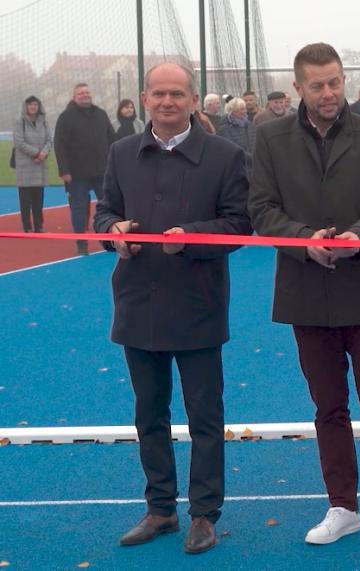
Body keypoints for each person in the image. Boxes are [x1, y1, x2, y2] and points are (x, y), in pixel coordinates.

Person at [93, 62, 251, 556]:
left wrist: (195, 240)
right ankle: (161, 509)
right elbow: (104, 214)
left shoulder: (225, 156)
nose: (167, 101)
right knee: (149, 415)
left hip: (198, 305)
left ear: (191, 98)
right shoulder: (121, 153)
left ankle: (205, 514)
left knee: (205, 416)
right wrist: (113, 233)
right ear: (144, 98)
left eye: (176, 93)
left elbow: (239, 224)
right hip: (138, 305)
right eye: (158, 93)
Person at [248, 42, 360, 548]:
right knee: (328, 407)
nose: (328, 92)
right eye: (317, 84)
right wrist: (302, 241)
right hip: (306, 292)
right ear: (298, 87)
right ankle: (343, 506)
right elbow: (263, 209)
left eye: (334, 81)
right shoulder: (270, 138)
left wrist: (359, 236)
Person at [54, 82, 116, 255]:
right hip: (76, 173)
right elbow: (60, 145)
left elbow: (112, 139)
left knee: (109, 206)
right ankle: (81, 243)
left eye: (87, 92)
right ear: (74, 97)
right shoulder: (66, 117)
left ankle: (110, 238)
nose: (85, 95)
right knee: (79, 208)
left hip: (101, 171)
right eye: (80, 93)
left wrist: (113, 165)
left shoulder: (101, 114)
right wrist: (64, 170)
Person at [13, 95, 52, 233]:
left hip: (39, 165)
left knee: (38, 199)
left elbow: (49, 139)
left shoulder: (44, 121)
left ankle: (39, 226)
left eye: (35, 104)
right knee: (25, 200)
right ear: (26, 106)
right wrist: (36, 153)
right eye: (30, 105)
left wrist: (43, 153)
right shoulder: (20, 122)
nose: (33, 107)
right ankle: (27, 227)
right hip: (25, 165)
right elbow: (19, 142)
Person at [216, 97, 256, 165]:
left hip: (252, 166)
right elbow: (231, 149)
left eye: (245, 108)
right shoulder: (224, 129)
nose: (245, 111)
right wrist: (251, 158)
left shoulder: (250, 125)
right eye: (242, 109)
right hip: (236, 165)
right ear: (233, 111)